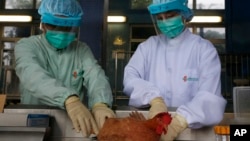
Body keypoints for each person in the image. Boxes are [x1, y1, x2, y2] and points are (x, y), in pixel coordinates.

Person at [123, 0, 227, 140]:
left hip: (192, 132)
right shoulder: (148, 47)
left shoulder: (203, 49)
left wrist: (180, 121)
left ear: (183, 14)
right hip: (154, 129)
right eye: (160, 18)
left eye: (170, 16)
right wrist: (154, 99)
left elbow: (210, 97)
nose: (164, 22)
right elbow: (130, 76)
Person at [14, 0, 115, 137]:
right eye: (53, 25)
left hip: (73, 125)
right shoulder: (26, 46)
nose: (60, 31)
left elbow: (95, 76)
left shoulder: (81, 49)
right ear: (42, 25)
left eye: (67, 27)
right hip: (34, 123)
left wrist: (100, 104)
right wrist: (70, 99)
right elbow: (32, 75)